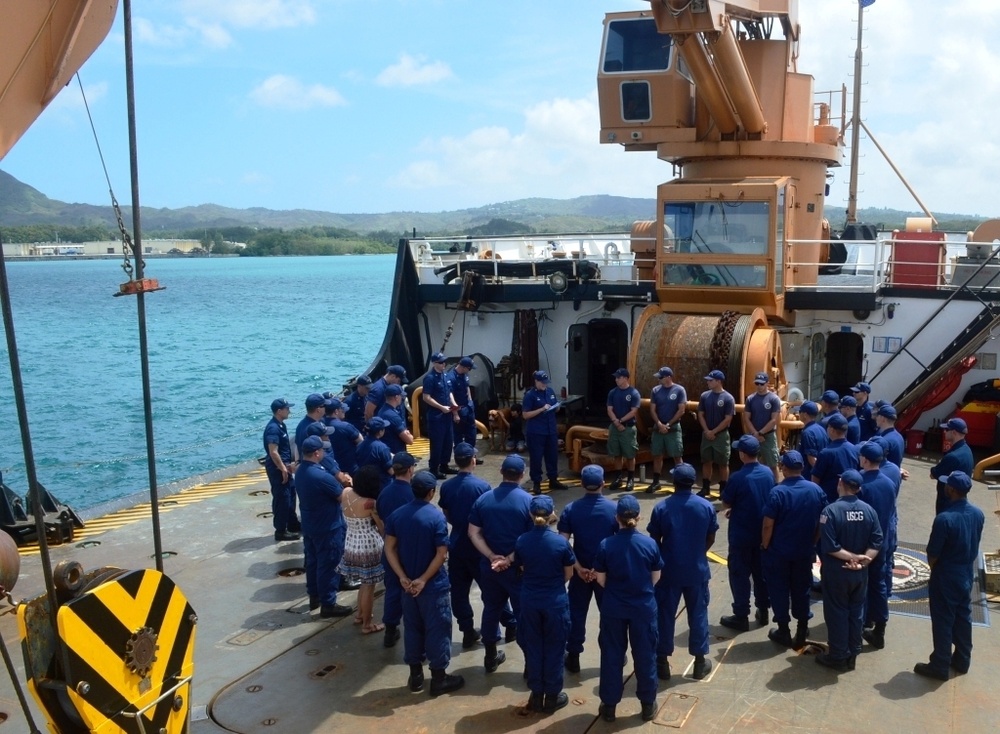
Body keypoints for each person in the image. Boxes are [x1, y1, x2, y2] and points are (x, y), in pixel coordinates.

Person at [383, 470, 465, 697]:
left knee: (412, 628)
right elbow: (441, 553)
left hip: (407, 587)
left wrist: (402, 576)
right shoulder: (436, 517)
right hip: (432, 586)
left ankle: (415, 676)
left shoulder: (397, 515)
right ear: (431, 492)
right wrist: (423, 579)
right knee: (438, 629)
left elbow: (389, 548)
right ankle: (439, 679)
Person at [594, 494, 663, 723]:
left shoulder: (606, 545)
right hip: (642, 608)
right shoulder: (649, 544)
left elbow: (601, 580)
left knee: (612, 655)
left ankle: (610, 706)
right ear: (638, 517)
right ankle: (646, 705)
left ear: (617, 518)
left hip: (614, 608)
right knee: (645, 654)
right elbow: (655, 577)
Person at [647, 463, 717, 681]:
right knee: (698, 614)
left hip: (669, 572)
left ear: (675, 483)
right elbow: (711, 536)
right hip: (696, 570)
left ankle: (662, 662)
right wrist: (698, 552)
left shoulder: (662, 508)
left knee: (665, 615)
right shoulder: (705, 506)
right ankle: (699, 662)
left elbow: (654, 541)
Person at [914, 471, 985, 681]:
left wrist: (934, 570)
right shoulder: (978, 514)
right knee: (963, 617)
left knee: (943, 620)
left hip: (946, 574)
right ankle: (962, 660)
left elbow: (933, 553)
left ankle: (940, 665)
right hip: (966, 573)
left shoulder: (944, 518)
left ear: (951, 490)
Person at [468, 454, 534, 673]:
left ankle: (490, 657)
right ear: (522, 475)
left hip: (490, 569)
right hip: (518, 570)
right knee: (523, 614)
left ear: (501, 472)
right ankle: (529, 665)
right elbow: (531, 538)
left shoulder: (484, 500)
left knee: (491, 610)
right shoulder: (527, 502)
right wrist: (510, 559)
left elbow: (474, 533)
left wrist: (491, 556)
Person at [816, 469, 883, 672]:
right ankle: (853, 652)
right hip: (860, 573)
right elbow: (877, 540)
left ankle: (837, 656)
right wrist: (864, 561)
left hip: (838, 572)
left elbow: (830, 546)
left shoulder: (830, 511)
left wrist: (852, 558)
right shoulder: (870, 511)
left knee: (837, 613)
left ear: (841, 484)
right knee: (856, 613)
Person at [514, 494, 575, 714]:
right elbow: (568, 573)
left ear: (530, 514)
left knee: (534, 646)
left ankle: (536, 694)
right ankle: (552, 696)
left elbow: (522, 568)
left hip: (530, 600)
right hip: (554, 601)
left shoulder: (522, 541)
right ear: (551, 515)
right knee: (555, 647)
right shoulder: (560, 543)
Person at [762, 451, 827, 649]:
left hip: (780, 552)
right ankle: (802, 628)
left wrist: (765, 545)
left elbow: (768, 524)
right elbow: (823, 521)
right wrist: (814, 540)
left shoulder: (778, 492)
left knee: (779, 589)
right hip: (804, 551)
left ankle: (783, 630)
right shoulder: (816, 490)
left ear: (783, 467)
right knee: (802, 588)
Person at [557, 464, 618, 673]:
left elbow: (562, 544)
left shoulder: (571, 509)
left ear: (582, 484)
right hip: (606, 574)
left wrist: (580, 568)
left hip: (579, 573)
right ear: (603, 483)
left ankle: (573, 656)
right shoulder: (614, 510)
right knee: (609, 615)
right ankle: (611, 655)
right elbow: (619, 543)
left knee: (576, 614)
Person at [438, 442, 491, 648]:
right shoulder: (482, 487)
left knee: (459, 592)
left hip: (457, 544)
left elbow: (447, 514)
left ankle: (467, 630)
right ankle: (502, 627)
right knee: (490, 591)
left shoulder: (447, 487)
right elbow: (486, 518)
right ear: (473, 461)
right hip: (479, 548)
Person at [295, 435, 353, 618]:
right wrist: (348, 484)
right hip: (328, 527)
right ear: (317, 453)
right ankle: (328, 603)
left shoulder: (300, 471)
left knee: (312, 563)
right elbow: (341, 497)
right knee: (329, 564)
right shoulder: (321, 476)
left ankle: (314, 596)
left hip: (310, 525)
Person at [719, 435, 772, 632]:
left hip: (741, 535)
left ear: (742, 454)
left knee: (740, 574)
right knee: (761, 573)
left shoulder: (737, 477)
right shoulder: (768, 473)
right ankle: (764, 610)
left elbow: (726, 502)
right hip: (762, 534)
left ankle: (741, 615)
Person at [857, 442, 897, 649]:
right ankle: (879, 629)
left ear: (864, 459)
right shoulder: (889, 482)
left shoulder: (860, 483)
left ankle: (858, 626)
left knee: (858, 585)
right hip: (882, 541)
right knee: (878, 584)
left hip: (862, 544)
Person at [376, 451, 418, 648]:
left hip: (389, 549)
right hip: (409, 550)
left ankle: (390, 631)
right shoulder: (412, 494)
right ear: (410, 470)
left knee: (393, 590)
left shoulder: (384, 493)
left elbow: (382, 522)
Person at [338, 464, 386, 633]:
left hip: (351, 543)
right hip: (368, 545)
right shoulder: (369, 503)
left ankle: (359, 615)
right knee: (369, 585)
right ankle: (367, 624)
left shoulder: (345, 493)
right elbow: (381, 528)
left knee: (363, 584)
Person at [522, 370, 566, 494]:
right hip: (536, 432)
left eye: (545, 382)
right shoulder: (530, 395)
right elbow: (525, 415)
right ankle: (536, 482)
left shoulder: (550, 391)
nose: (544, 385)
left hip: (550, 430)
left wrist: (557, 407)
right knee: (536, 458)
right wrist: (541, 409)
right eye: (542, 382)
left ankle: (553, 479)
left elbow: (555, 408)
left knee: (552, 456)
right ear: (536, 381)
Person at [263, 397, 301, 542]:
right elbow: (273, 451)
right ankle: (280, 530)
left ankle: (292, 524)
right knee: (282, 498)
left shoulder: (280, 425)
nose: (289, 411)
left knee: (291, 494)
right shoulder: (273, 428)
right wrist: (283, 469)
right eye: (287, 409)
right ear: (279, 411)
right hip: (277, 467)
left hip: (284, 464)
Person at [648, 366, 686, 493]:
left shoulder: (679, 390)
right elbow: (652, 409)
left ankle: (681, 482)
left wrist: (668, 424)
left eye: (661, 377)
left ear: (669, 377)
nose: (658, 379)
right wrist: (659, 424)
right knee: (657, 455)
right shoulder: (655, 390)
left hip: (673, 428)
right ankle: (656, 482)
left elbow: (681, 410)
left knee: (677, 455)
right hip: (658, 428)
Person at [697, 369, 735, 498]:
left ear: (718, 381)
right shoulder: (705, 396)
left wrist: (714, 431)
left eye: (710, 380)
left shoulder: (728, 398)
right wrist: (707, 430)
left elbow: (728, 418)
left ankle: (723, 489)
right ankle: (705, 487)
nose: (708, 382)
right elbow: (700, 414)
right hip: (707, 433)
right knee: (706, 461)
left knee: (723, 463)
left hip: (721, 435)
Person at [606, 367, 642, 492]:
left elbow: (634, 411)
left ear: (626, 378)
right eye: (616, 377)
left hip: (628, 427)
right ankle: (618, 478)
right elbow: (609, 409)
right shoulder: (612, 392)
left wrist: (621, 421)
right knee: (616, 454)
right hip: (615, 426)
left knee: (630, 454)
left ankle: (630, 479)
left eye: (619, 377)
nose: (616, 380)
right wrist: (616, 422)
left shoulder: (633, 393)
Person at [811, 413, 859, 503]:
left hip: (829, 500)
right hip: (850, 499)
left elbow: (815, 479)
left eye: (828, 427)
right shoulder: (855, 449)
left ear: (832, 430)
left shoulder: (826, 452)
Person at [930, 418, 974, 514]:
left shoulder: (952, 456)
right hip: (960, 500)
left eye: (946, 430)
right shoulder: (967, 450)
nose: (944, 432)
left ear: (953, 432)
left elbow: (933, 474)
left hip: (947, 502)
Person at [742, 372, 781, 481]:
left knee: (773, 464)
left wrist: (761, 433)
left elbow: (773, 420)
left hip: (768, 437)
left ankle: (775, 486)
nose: (759, 386)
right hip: (753, 436)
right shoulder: (750, 399)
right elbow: (746, 418)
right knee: (751, 464)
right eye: (757, 384)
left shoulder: (774, 399)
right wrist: (755, 434)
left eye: (762, 384)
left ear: (767, 383)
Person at [324, 398, 362, 476]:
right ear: (336, 411)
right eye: (342, 409)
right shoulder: (345, 426)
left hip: (332, 470)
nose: (344, 411)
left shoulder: (320, 426)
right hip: (351, 469)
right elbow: (361, 441)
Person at [450, 356, 479, 453]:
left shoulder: (465, 375)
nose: (470, 371)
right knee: (458, 435)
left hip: (468, 407)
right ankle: (461, 457)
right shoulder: (451, 377)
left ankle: (470, 455)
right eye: (469, 368)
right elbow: (450, 396)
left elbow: (467, 388)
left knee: (471, 433)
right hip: (459, 409)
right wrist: (455, 413)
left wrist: (471, 402)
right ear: (464, 367)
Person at [356, 417, 393, 489]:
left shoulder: (360, 445)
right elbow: (391, 471)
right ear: (380, 432)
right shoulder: (382, 448)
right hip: (382, 485)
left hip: (365, 485)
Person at [378, 384, 414, 455]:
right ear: (396, 397)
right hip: (396, 453)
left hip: (387, 451)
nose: (402, 398)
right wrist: (409, 434)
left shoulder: (381, 411)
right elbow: (410, 440)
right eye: (401, 396)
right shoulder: (393, 416)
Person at [797, 401, 828, 483]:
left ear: (805, 415)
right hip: (822, 470)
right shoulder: (821, 428)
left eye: (800, 412)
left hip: (809, 476)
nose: (798, 414)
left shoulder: (808, 432)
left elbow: (812, 459)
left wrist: (817, 476)